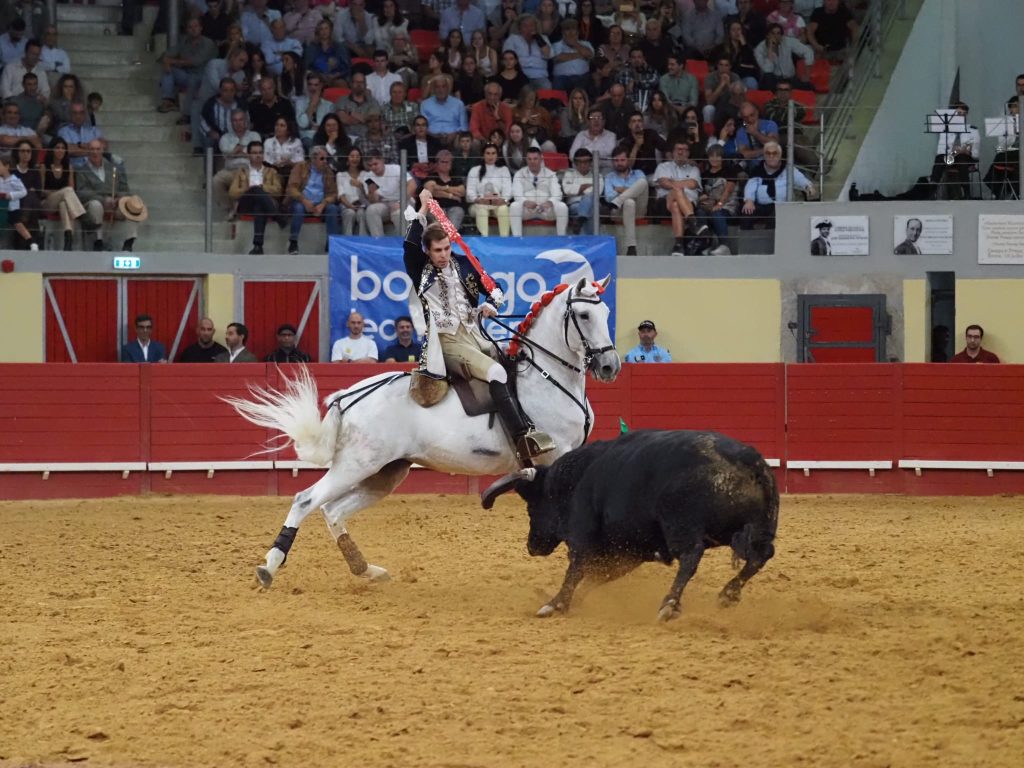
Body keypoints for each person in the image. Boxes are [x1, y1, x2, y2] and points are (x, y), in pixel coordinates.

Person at [404, 188, 553, 459]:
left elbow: (494, 289)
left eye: (447, 248)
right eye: (437, 250)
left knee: (515, 365)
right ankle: (522, 439)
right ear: (428, 251)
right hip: (446, 342)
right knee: (496, 372)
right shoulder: (420, 268)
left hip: (475, 335)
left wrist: (491, 305)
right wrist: (424, 207)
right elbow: (410, 244)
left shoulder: (464, 264)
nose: (443, 254)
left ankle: (520, 425)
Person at [76, 140, 148, 252]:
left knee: (132, 206)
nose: (95, 152)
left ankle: (129, 240)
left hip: (115, 202)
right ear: (88, 151)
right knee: (96, 205)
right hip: (95, 203)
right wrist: (103, 200)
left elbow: (124, 189)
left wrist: (119, 200)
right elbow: (82, 192)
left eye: (98, 149)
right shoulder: (81, 171)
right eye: (92, 149)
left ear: (102, 151)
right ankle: (98, 241)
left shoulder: (114, 168)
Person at [740, 140, 816, 230]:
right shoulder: (757, 170)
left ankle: (770, 238)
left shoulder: (788, 169)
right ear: (764, 155)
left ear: (780, 155)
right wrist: (749, 200)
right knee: (746, 212)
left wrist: (808, 186)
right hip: (762, 206)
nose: (771, 156)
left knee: (776, 215)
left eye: (774, 153)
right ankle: (748, 238)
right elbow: (750, 187)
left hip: (782, 206)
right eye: (768, 153)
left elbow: (801, 179)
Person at [231, 140, 284, 254]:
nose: (258, 155)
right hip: (246, 203)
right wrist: (248, 189)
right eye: (255, 153)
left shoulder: (271, 171)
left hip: (264, 204)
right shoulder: (241, 171)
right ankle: (276, 215)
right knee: (255, 190)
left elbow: (278, 191)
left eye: (260, 152)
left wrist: (262, 187)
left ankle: (258, 246)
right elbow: (233, 192)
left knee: (259, 206)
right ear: (249, 155)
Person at [285, 145, 340, 254]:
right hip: (302, 201)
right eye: (322, 159)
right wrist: (304, 201)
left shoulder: (328, 171)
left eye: (326, 159)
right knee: (298, 208)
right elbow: (292, 188)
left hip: (320, 204)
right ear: (313, 159)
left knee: (332, 209)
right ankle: (293, 242)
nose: (325, 162)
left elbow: (333, 193)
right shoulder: (300, 167)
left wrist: (323, 204)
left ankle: (331, 243)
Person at [157, 17, 217, 114]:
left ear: (201, 28)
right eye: (190, 27)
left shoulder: (207, 43)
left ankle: (183, 110)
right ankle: (168, 101)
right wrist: (166, 60)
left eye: (196, 26)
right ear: (187, 30)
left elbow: (195, 61)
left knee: (172, 66)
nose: (193, 29)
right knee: (168, 69)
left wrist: (171, 61)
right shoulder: (184, 41)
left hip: (202, 78)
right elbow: (167, 53)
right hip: (187, 75)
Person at [654, 140, 702, 256]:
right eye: (678, 149)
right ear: (673, 152)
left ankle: (678, 245)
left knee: (676, 205)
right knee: (676, 191)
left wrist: (672, 182)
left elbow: (693, 184)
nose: (681, 152)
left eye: (684, 150)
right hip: (664, 203)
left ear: (688, 153)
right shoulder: (663, 167)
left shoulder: (694, 169)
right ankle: (693, 222)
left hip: (688, 203)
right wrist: (682, 184)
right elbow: (663, 183)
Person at [39, 137, 87, 251]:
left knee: (63, 203)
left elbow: (72, 189)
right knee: (67, 191)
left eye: (63, 148)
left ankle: (68, 235)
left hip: (63, 201)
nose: (60, 150)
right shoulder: (44, 167)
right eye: (57, 148)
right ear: (52, 150)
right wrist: (59, 193)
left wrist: (63, 194)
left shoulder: (68, 167)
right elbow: (41, 191)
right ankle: (81, 214)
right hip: (48, 202)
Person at [213, 109, 262, 216]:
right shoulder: (225, 138)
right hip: (231, 170)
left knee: (250, 179)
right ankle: (229, 209)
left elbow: (256, 155)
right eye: (235, 120)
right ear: (231, 122)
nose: (238, 123)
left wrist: (235, 152)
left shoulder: (254, 136)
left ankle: (240, 208)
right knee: (216, 180)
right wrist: (246, 152)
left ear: (246, 121)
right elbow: (226, 153)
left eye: (241, 120)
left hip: (249, 170)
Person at [510, 147, 568, 235]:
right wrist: (525, 202)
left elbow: (557, 193)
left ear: (541, 159)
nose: (532, 162)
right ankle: (517, 238)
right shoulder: (519, 174)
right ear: (526, 160)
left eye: (535, 159)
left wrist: (550, 202)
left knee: (562, 207)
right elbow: (516, 193)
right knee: (514, 206)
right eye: (529, 159)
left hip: (546, 210)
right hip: (527, 209)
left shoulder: (550, 174)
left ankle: (562, 238)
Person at [929, 101, 979, 201]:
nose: (962, 116)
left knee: (962, 159)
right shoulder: (945, 130)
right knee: (939, 159)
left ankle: (966, 193)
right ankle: (931, 190)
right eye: (959, 113)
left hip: (966, 157)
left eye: (964, 114)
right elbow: (941, 150)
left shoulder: (973, 130)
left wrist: (967, 151)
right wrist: (952, 151)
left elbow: (976, 152)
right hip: (950, 157)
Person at [603, 145, 648, 256]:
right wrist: (631, 191)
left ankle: (618, 201)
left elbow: (642, 188)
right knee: (629, 202)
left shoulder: (638, 173)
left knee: (643, 182)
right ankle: (631, 247)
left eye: (622, 160)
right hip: (618, 212)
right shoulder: (609, 177)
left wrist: (620, 191)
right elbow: (608, 197)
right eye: (616, 160)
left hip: (638, 209)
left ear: (628, 160)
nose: (619, 163)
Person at [363, 152, 416, 236]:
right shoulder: (368, 177)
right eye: (370, 165)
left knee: (398, 213)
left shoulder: (396, 169)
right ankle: (378, 240)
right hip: (384, 203)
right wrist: (371, 192)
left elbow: (412, 184)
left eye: (375, 164)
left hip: (404, 200)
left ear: (382, 160)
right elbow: (374, 201)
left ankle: (405, 240)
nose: (373, 167)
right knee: (371, 210)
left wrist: (400, 202)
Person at [466, 142, 513, 236]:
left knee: (503, 209)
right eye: (487, 153)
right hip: (479, 204)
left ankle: (505, 239)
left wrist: (502, 200)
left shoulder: (503, 170)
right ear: (483, 155)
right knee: (481, 210)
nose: (490, 156)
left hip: (498, 203)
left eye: (493, 153)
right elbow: (470, 191)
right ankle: (483, 240)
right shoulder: (475, 170)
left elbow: (508, 190)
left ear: (497, 155)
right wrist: (478, 200)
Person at [754, 23, 814, 91]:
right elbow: (767, 70)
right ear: (767, 35)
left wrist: (807, 74)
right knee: (768, 77)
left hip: (789, 79)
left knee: (809, 86)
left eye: (778, 33)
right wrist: (770, 49)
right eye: (772, 33)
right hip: (773, 81)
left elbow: (808, 51)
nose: (775, 36)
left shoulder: (787, 41)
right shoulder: (759, 49)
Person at [423, 149, 467, 230]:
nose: (446, 164)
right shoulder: (432, 176)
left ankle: (449, 234)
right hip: (436, 206)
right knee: (437, 212)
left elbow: (462, 192)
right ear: (437, 163)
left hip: (454, 206)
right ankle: (444, 235)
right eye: (443, 162)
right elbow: (430, 190)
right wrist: (450, 195)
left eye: (448, 162)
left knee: (458, 212)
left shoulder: (455, 177)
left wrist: (440, 189)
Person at [562, 147, 601, 234]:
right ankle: (590, 239)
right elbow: (567, 190)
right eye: (580, 162)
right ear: (575, 163)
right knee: (591, 211)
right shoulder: (569, 174)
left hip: (593, 205)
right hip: (574, 205)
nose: (583, 165)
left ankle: (580, 219)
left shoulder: (597, 175)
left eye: (586, 162)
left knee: (591, 204)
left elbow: (598, 192)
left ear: (591, 162)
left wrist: (578, 190)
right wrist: (585, 187)